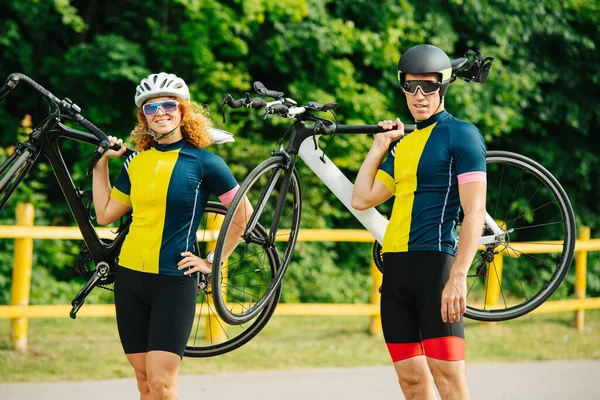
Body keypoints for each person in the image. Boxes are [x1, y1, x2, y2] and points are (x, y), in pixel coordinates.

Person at [92, 72, 248, 399]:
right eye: (151, 108)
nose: (160, 112)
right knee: (144, 383)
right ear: (143, 117)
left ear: (182, 111)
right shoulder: (135, 162)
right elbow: (106, 213)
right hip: (130, 278)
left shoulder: (206, 163)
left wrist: (213, 260)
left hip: (174, 282)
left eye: (168, 105)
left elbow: (243, 215)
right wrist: (100, 166)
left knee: (162, 383)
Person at [352, 44, 487, 400]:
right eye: (411, 87)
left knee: (449, 382)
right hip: (395, 273)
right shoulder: (406, 144)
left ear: (442, 87)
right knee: (411, 384)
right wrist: (380, 144)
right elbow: (361, 198)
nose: (419, 95)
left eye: (427, 86)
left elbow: (474, 212)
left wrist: (458, 276)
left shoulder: (462, 134)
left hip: (436, 268)